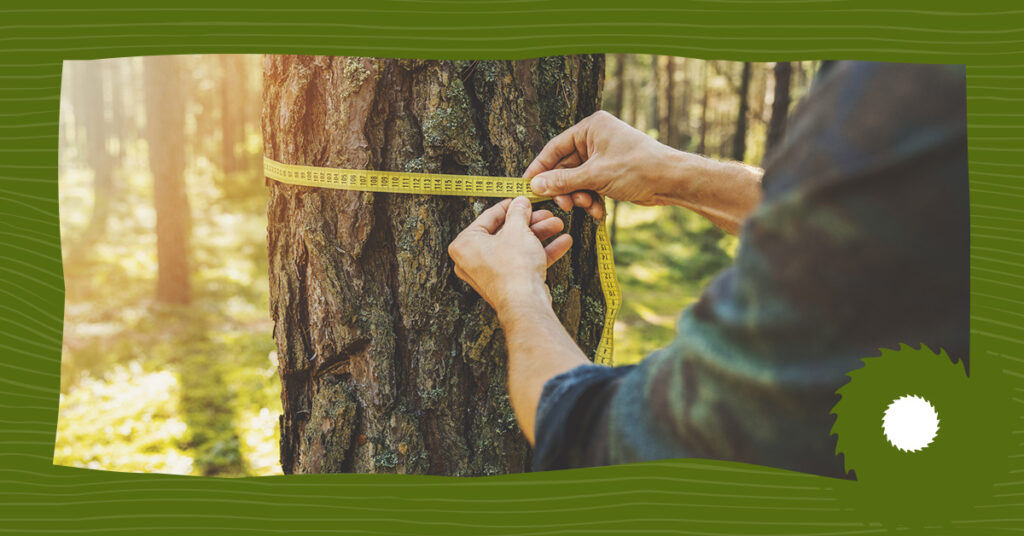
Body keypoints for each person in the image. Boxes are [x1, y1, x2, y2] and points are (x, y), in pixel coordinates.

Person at [447, 61, 968, 477]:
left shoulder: (906, 82)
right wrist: (675, 174)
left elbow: (621, 449)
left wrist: (518, 291)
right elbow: (879, 225)